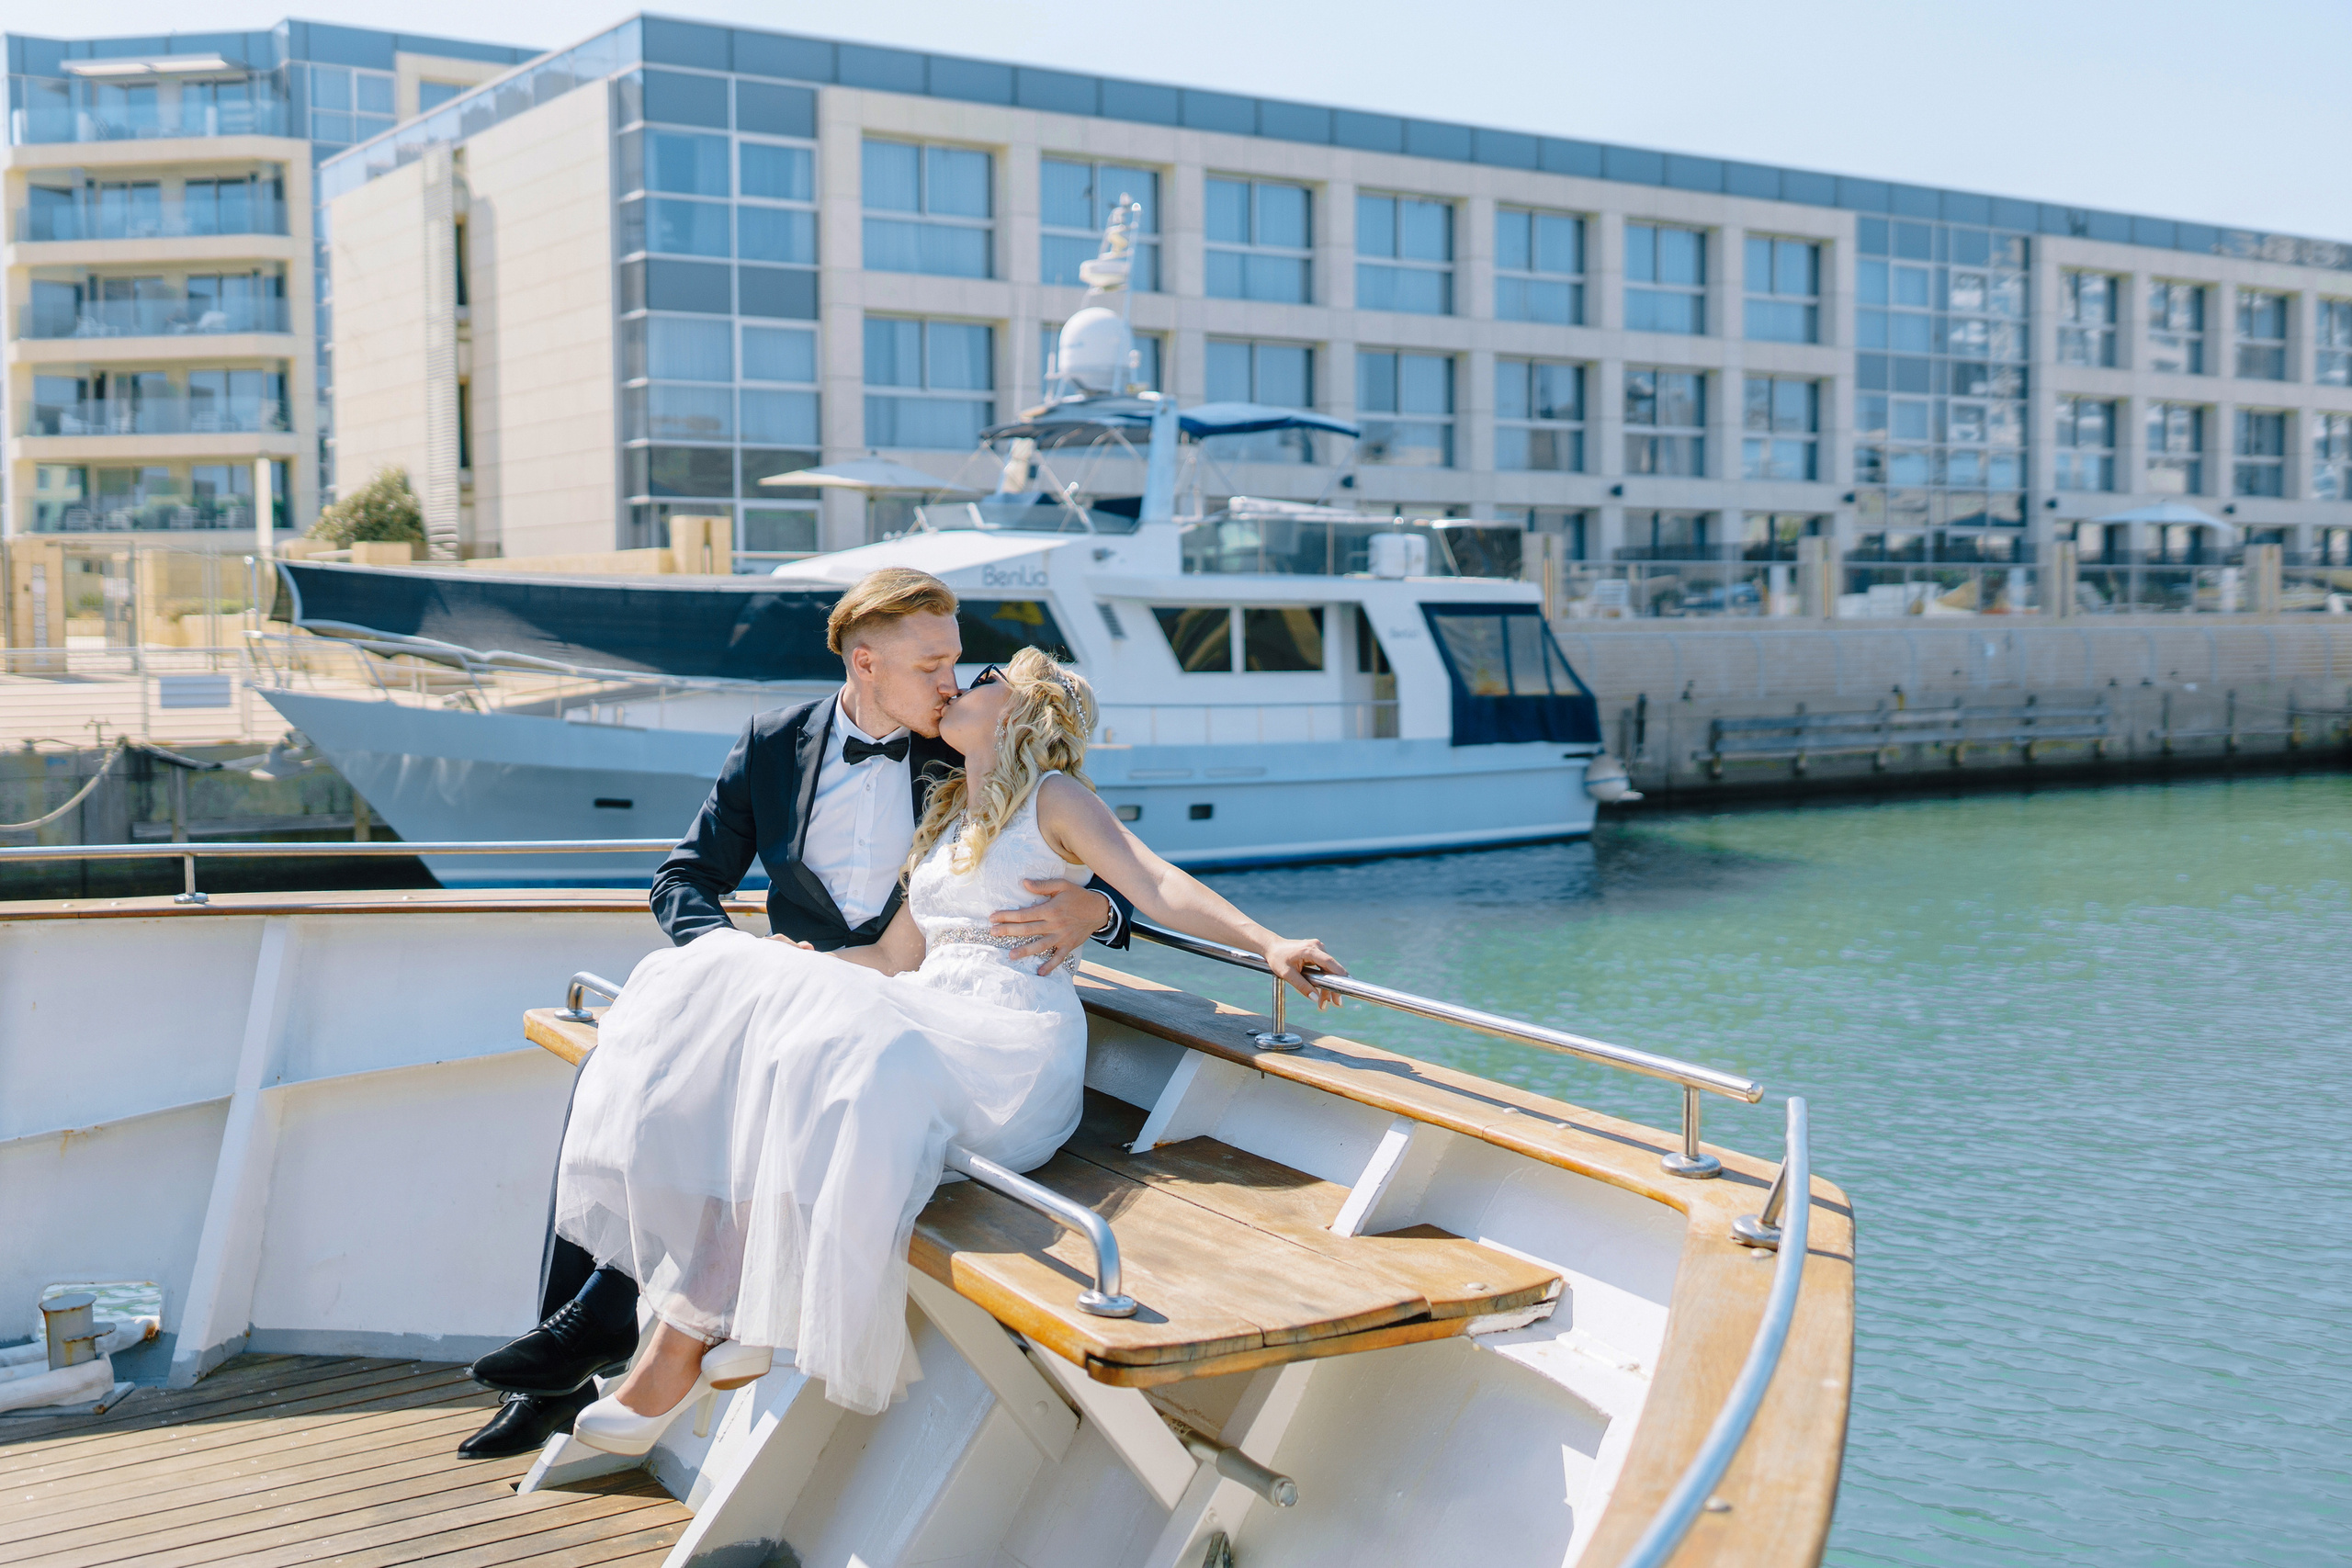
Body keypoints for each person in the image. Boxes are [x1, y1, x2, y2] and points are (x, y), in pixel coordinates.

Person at [549, 645, 1344, 1447]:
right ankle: (738, 1313)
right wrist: (793, 968)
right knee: (769, 1004)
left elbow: (1153, 879)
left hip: (1010, 1044)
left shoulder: (1054, 797)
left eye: (987, 676)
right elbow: (894, 959)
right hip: (927, 1017)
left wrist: (1267, 941)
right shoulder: (949, 815)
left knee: (857, 1050)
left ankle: (678, 1356)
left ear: (1025, 710)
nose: (963, 682)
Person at [455, 568, 1140, 1460]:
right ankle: (576, 1348)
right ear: (867, 662)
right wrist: (739, 951)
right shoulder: (776, 743)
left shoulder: (975, 756)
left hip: (905, 1016)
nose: (951, 680)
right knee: (623, 1058)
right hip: (793, 994)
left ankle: (608, 1333)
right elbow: (682, 880)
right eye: (932, 662)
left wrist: (1099, 913)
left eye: (957, 662)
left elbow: (1123, 867)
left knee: (737, 1073)